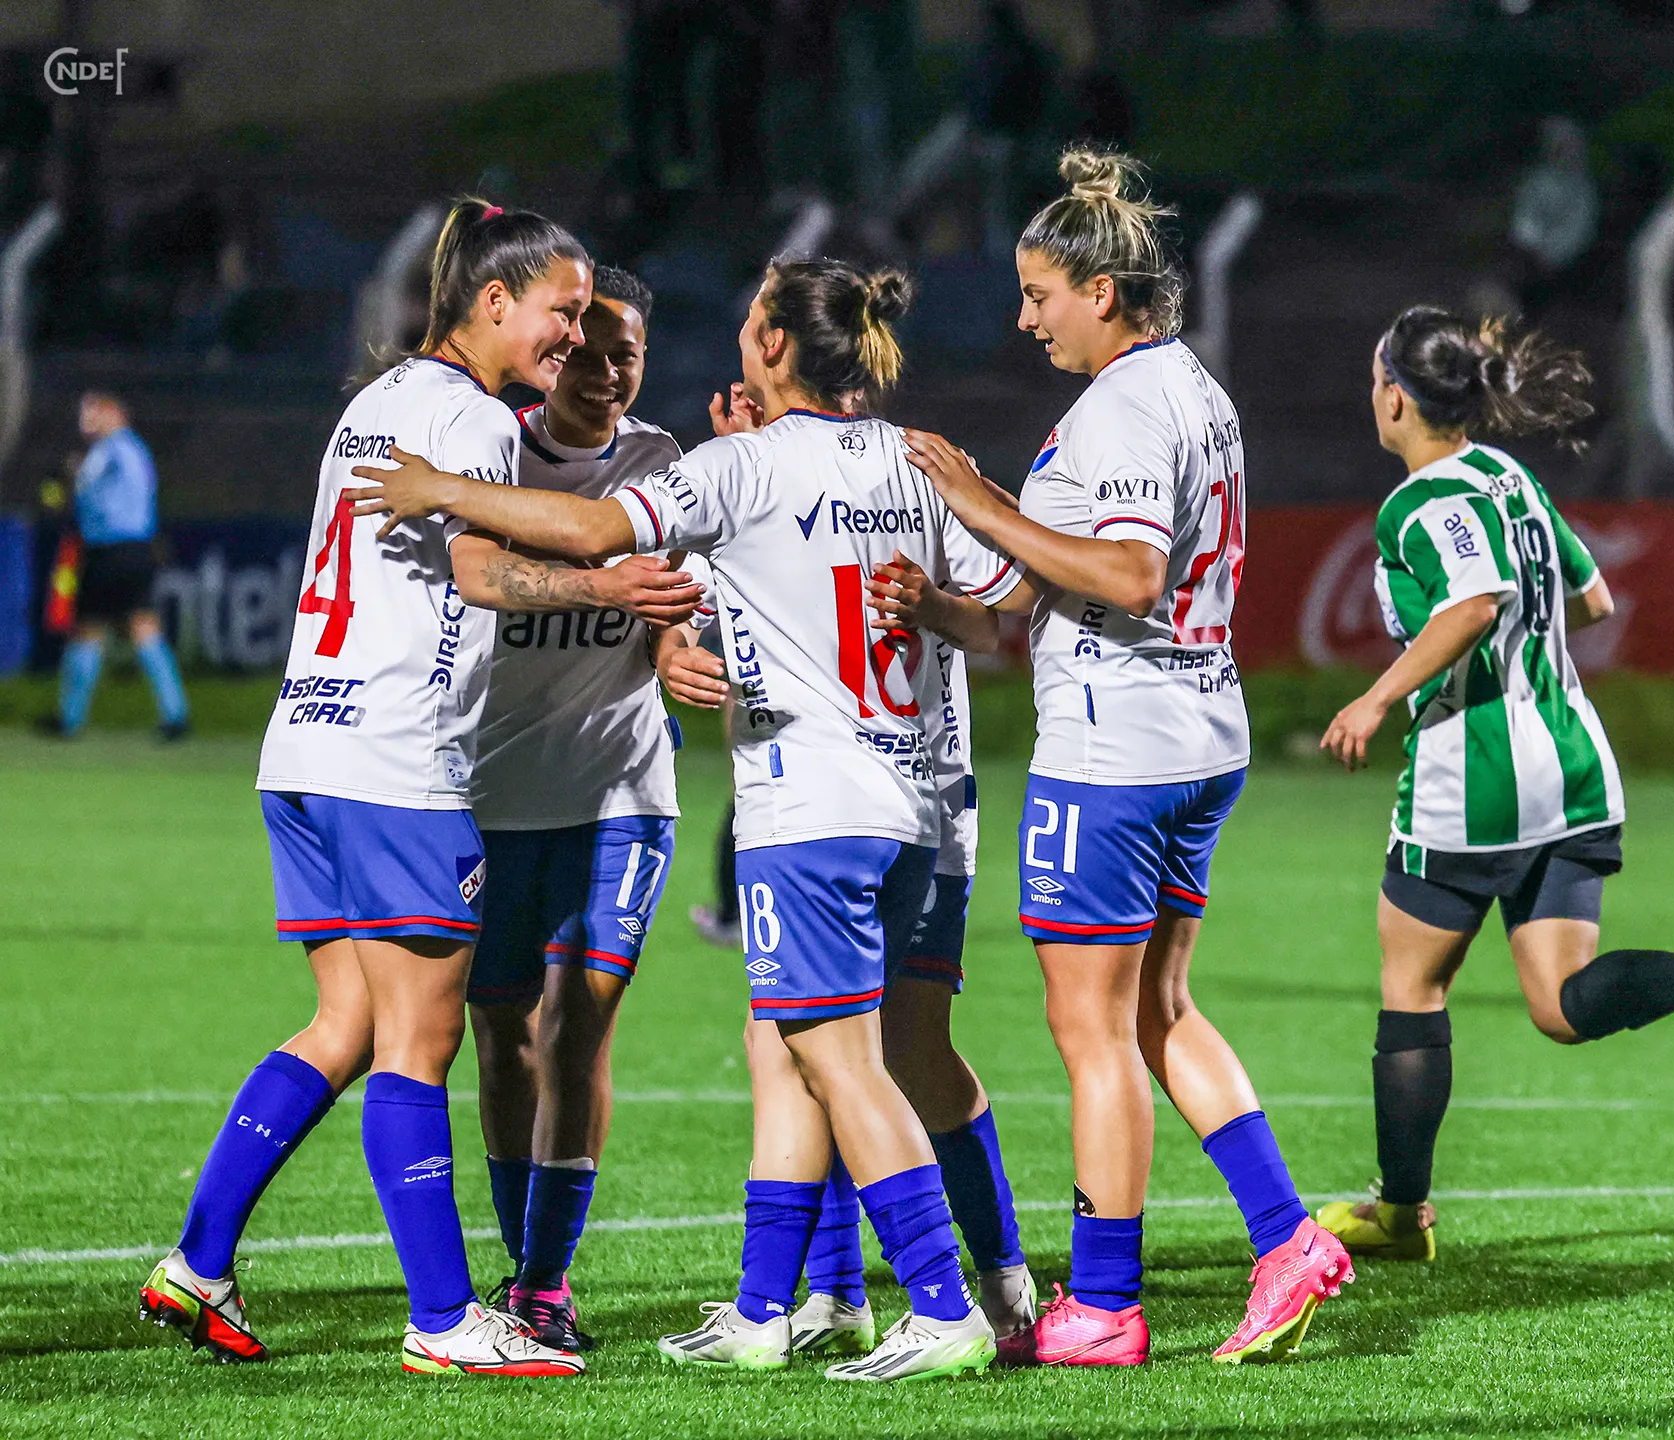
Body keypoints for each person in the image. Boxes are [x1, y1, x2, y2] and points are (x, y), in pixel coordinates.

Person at [345, 256, 1024, 1384]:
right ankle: (766, 1310)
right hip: (911, 804)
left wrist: (440, 489)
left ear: (773, 346)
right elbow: (1002, 616)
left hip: (807, 811)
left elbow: (589, 529)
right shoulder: (913, 462)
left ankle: (945, 1303)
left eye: (751, 317)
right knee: (790, 1050)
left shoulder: (734, 467)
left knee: (844, 1062)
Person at [137, 200, 699, 1377]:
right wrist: (610, 586)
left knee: (346, 1023)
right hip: (397, 762)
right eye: (561, 312)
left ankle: (197, 1262)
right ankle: (446, 1319)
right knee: (422, 1039)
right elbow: (484, 572)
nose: (573, 336)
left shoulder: (376, 400)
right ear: (494, 301)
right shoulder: (471, 418)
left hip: (304, 747)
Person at [899, 148, 1353, 1367]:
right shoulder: (1193, 389)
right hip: (1196, 728)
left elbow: (1132, 572)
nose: (1025, 318)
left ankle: (1102, 1304)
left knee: (1089, 1029)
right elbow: (1055, 578)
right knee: (1156, 1010)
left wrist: (981, 502)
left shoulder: (1127, 404)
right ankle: (1287, 1238)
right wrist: (948, 598)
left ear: (1103, 291)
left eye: (1040, 293)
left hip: (1116, 752)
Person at [1312, 305, 1674, 1261]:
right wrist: (1521, 648)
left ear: (1397, 398)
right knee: (1561, 1005)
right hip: (1574, 769)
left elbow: (1472, 603)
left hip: (1476, 784)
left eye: (1375, 378)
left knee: (1412, 989)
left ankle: (1402, 1215)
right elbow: (1595, 598)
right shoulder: (1511, 478)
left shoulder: (1415, 506)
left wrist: (1375, 699)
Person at [659, 440, 1037, 1357]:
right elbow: (680, 602)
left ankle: (977, 1287)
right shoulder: (755, 478)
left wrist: (937, 600)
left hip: (901, 801)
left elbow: (1005, 608)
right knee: (799, 1038)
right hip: (876, 804)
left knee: (876, 1045)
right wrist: (672, 647)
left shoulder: (906, 467)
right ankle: (817, 1297)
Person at [463, 266, 695, 1351]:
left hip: (622, 794)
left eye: (625, 355)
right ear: (549, 350)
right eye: (585, 350)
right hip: (495, 795)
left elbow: (676, 607)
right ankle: (521, 1264)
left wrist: (679, 648)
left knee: (577, 1026)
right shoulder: (492, 459)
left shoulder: (660, 464)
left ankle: (544, 1284)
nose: (603, 372)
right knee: (501, 1034)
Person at [41, 392, 189, 739]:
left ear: (115, 413)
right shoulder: (115, 451)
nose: (87, 420)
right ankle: (174, 715)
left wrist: (73, 479)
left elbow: (105, 495)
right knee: (128, 626)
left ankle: (70, 719)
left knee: (100, 628)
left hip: (116, 549)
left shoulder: (119, 450)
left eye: (94, 412)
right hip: (122, 550)